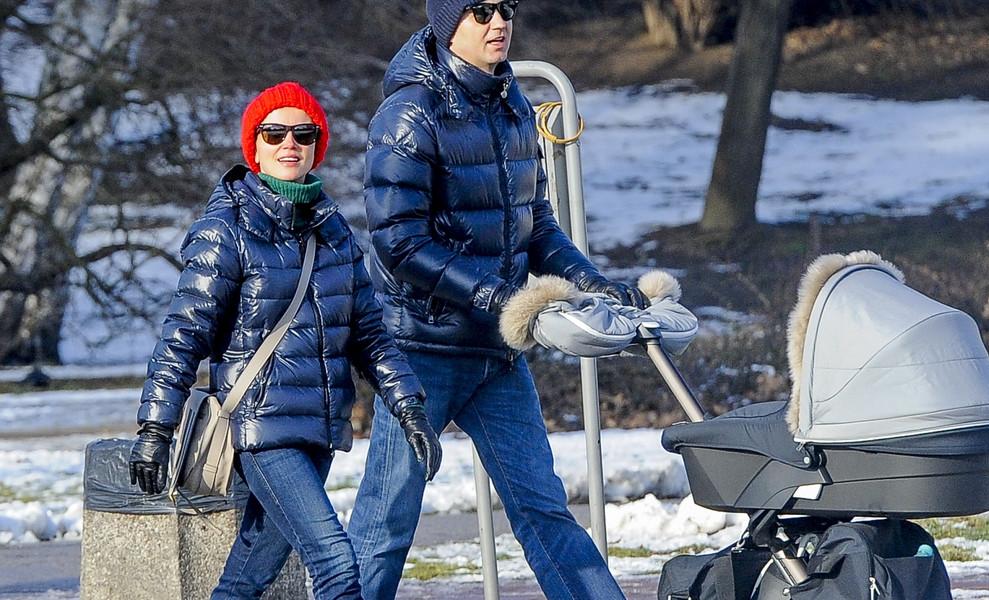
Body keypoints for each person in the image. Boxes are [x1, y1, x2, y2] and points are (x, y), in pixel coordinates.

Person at [347, 2, 648, 599]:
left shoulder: (513, 104)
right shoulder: (409, 114)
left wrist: (592, 283)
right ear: (446, 22)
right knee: (385, 526)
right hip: (421, 350)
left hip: (496, 351)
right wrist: (501, 297)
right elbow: (399, 242)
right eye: (480, 10)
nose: (498, 23)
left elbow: (535, 225)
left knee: (544, 510)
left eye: (506, 8)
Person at [127, 81, 443, 600]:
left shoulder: (333, 230)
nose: (289, 143)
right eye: (274, 133)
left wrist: (409, 406)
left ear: (318, 145)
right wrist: (155, 428)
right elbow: (183, 336)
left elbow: (371, 335)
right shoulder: (226, 228)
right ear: (255, 146)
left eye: (304, 132)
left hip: (319, 430)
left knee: (246, 580)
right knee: (337, 564)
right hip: (261, 429)